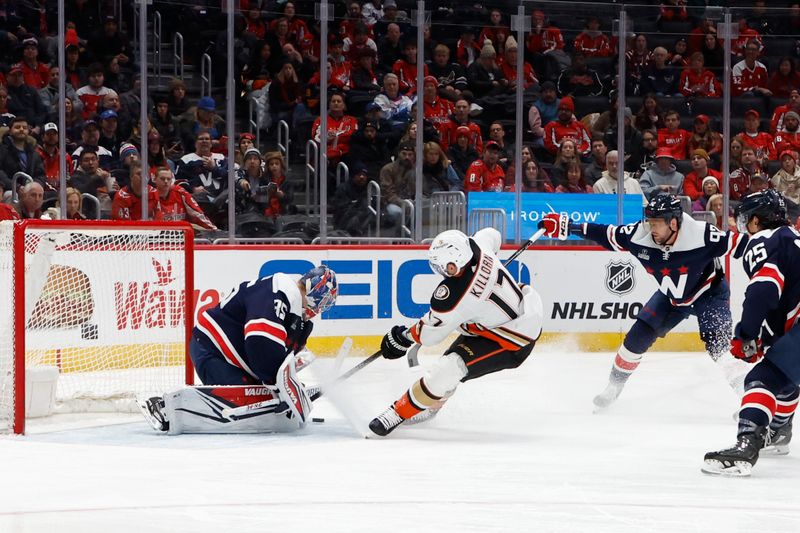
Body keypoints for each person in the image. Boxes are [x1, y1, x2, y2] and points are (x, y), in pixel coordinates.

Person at [539, 194, 750, 410]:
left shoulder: (702, 235)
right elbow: (605, 233)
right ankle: (613, 387)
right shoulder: (639, 235)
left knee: (719, 345)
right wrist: (567, 226)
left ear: (674, 222)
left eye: (657, 223)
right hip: (671, 297)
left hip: (709, 293)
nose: (651, 229)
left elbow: (744, 245)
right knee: (634, 341)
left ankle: (748, 398)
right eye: (650, 222)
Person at [368, 229, 543, 436]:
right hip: (500, 320)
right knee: (449, 366)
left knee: (449, 368)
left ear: (454, 264)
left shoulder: (455, 295)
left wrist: (401, 338)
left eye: (441, 265)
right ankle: (432, 402)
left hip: (511, 341)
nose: (439, 270)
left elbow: (430, 335)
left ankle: (398, 413)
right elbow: (493, 234)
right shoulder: (478, 246)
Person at [139, 266, 339, 435]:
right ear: (315, 292)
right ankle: (163, 407)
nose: (321, 309)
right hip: (211, 349)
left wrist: (287, 382)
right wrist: (279, 386)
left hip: (236, 357)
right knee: (243, 399)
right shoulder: (280, 291)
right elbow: (260, 343)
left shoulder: (296, 315)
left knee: (265, 398)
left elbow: (279, 357)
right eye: (324, 302)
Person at [702, 191, 800, 476]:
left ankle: (747, 445)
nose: (742, 225)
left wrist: (746, 333)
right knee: (784, 374)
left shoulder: (763, 241)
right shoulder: (791, 236)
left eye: (746, 219)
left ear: (757, 220)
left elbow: (764, 290)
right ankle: (780, 431)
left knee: (760, 379)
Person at [152, 167, 218, 231]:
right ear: (154, 179)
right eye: (162, 179)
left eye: (168, 179)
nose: (166, 181)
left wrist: (214, 229)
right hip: (157, 235)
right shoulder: (149, 196)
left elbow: (197, 214)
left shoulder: (180, 192)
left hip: (182, 233)